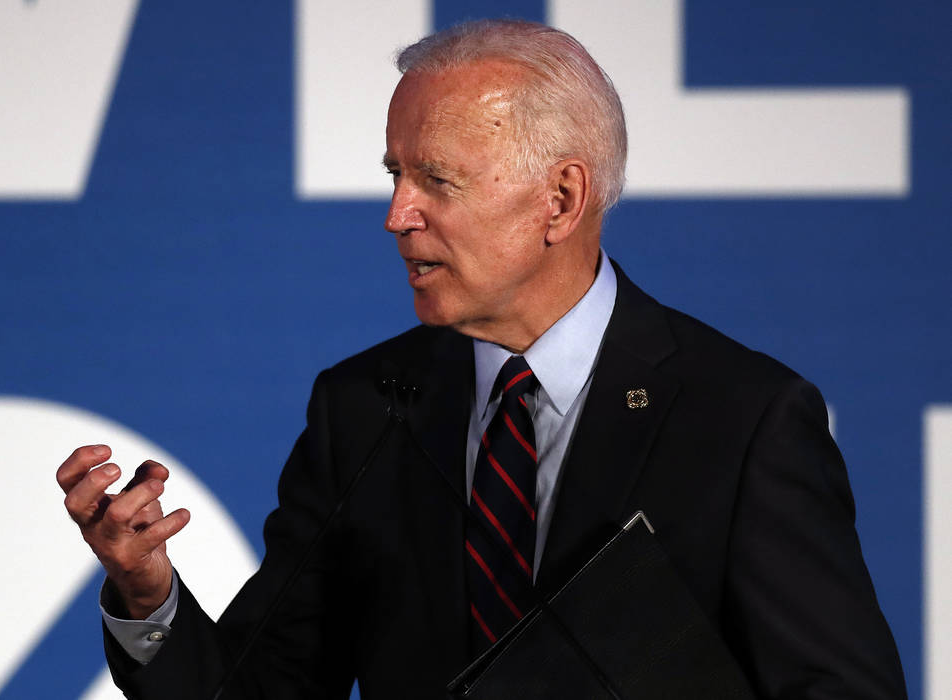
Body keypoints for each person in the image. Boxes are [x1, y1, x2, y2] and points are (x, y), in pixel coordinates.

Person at [57, 19, 907, 699]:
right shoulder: (362, 408)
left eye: (437, 181)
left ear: (561, 199)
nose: (396, 215)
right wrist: (147, 595)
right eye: (395, 175)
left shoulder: (743, 418)